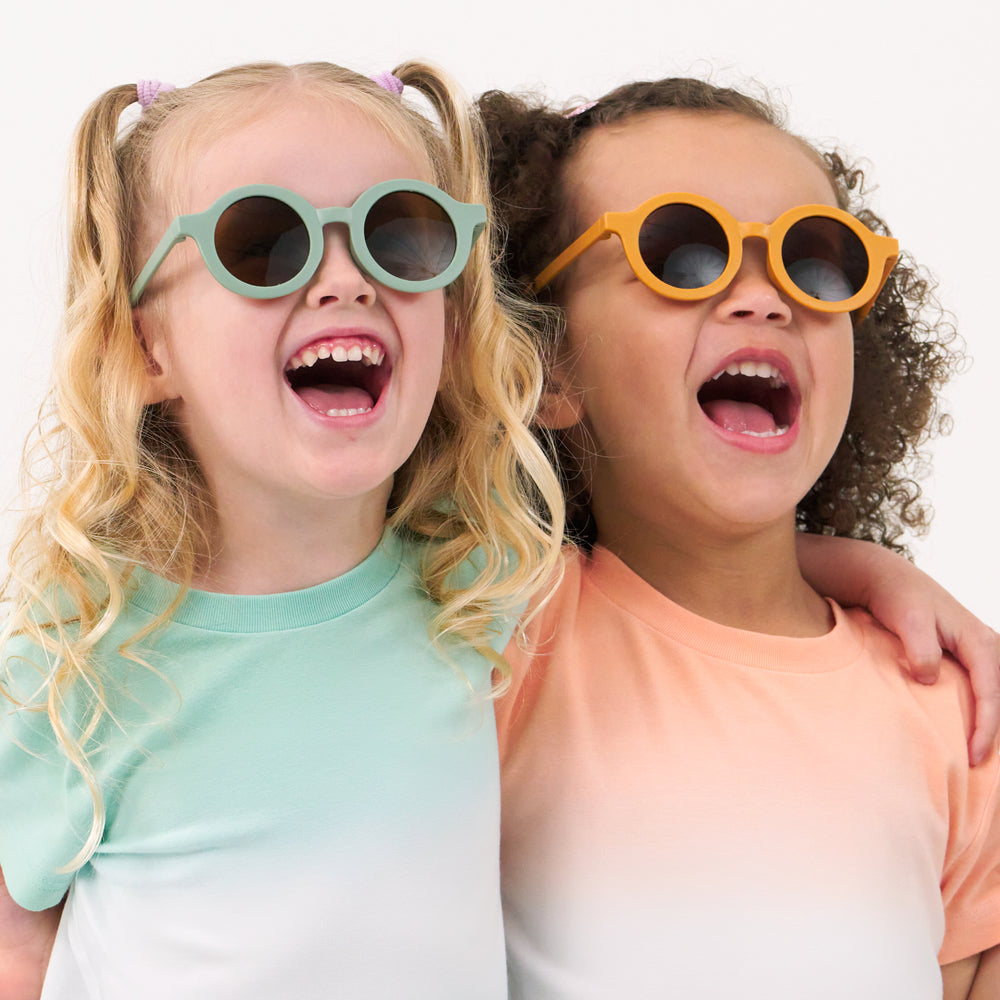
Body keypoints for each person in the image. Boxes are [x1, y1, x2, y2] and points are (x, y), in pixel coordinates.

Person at [0, 61, 564, 1000]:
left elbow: (697, 599)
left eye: (401, 238)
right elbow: (17, 947)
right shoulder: (79, 660)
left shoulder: (486, 591)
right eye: (263, 245)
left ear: (455, 321)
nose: (345, 279)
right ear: (146, 347)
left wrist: (871, 577)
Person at [479, 78, 1000, 998]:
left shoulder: (953, 711)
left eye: (817, 260)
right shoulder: (496, 633)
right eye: (681, 255)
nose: (766, 300)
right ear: (543, 362)